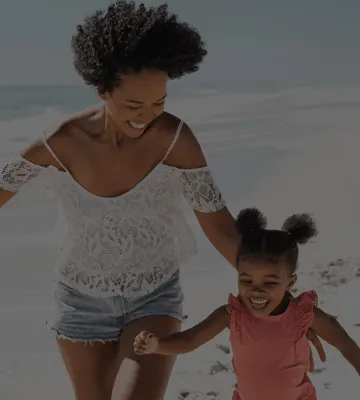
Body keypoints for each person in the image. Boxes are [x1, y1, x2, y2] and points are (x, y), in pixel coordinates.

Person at [0, 2, 325, 400]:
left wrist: (283, 306)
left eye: (159, 103)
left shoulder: (174, 140)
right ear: (102, 90)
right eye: (134, 105)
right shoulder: (61, 141)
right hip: (79, 303)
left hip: (153, 297)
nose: (147, 117)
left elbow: (221, 227)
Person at [134, 208, 360, 400]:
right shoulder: (232, 314)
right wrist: (157, 346)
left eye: (270, 282)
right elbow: (190, 340)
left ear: (290, 282)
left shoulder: (302, 315)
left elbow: (346, 345)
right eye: (246, 280)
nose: (256, 290)